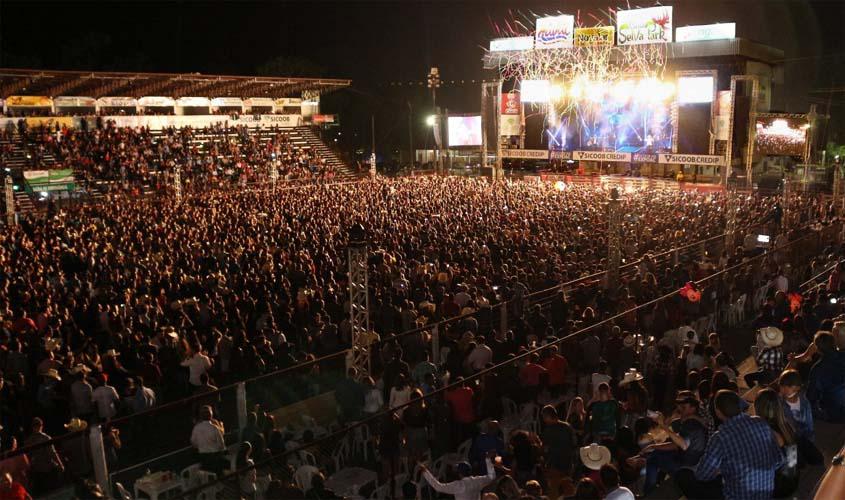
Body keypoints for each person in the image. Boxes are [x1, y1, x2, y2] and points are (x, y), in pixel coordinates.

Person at [676, 390, 782, 500]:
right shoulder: (761, 423)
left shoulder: (720, 437)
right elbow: (778, 460)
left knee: (683, 476)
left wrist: (723, 469)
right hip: (766, 494)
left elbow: (702, 475)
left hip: (737, 496)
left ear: (718, 412)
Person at [641, 391, 707, 494]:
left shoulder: (691, 423)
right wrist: (654, 446)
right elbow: (676, 444)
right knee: (657, 454)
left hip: (689, 466)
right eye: (679, 405)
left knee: (653, 458)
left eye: (683, 406)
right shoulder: (690, 420)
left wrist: (663, 426)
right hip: (690, 461)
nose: (680, 408)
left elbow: (683, 445)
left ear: (693, 408)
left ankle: (649, 493)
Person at [754, 389, 799, 498]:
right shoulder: (786, 425)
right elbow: (792, 461)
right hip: (792, 480)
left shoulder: (767, 432)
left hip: (778, 487)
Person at [778, 369, 823, 465]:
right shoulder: (779, 404)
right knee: (793, 465)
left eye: (788, 386)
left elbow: (809, 424)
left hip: (805, 438)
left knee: (818, 461)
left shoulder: (804, 402)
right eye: (782, 386)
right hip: (790, 441)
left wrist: (810, 441)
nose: (783, 390)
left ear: (797, 388)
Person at [420, 454, 496, 500]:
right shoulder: (478, 481)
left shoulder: (459, 485)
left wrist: (425, 471)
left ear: (459, 473)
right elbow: (492, 476)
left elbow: (438, 487)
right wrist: (487, 459)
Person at [806, 331, 845, 422]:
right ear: (834, 342)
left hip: (835, 415)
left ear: (817, 348)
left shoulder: (817, 369)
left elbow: (811, 397)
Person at [539, 405, 575, 498]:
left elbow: (545, 450)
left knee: (554, 493)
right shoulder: (568, 427)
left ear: (547, 416)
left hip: (555, 466)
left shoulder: (548, 431)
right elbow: (574, 444)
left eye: (544, 417)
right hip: (568, 464)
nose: (543, 420)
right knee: (568, 492)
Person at [190, 406, 227, 474]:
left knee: (207, 477)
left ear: (201, 416)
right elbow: (221, 446)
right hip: (215, 457)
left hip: (203, 457)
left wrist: (202, 446)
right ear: (211, 415)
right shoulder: (215, 428)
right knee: (218, 477)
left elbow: (193, 443)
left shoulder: (196, 428)